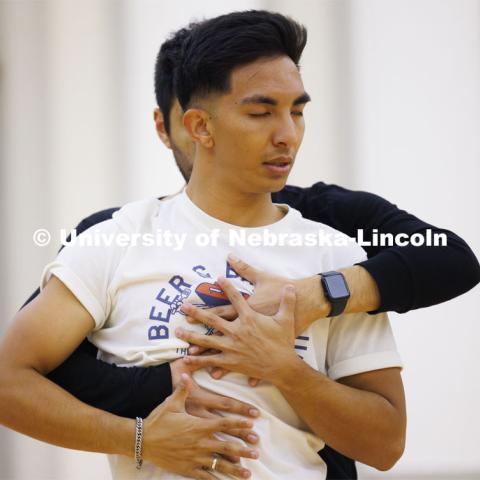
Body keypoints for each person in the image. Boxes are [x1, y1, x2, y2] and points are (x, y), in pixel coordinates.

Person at [15, 11, 480, 480]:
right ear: (197, 125)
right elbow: (12, 380)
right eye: (261, 113)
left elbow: (385, 445)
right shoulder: (115, 239)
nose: (288, 134)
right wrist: (139, 438)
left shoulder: (336, 251)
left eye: (297, 111)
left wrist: (285, 365)